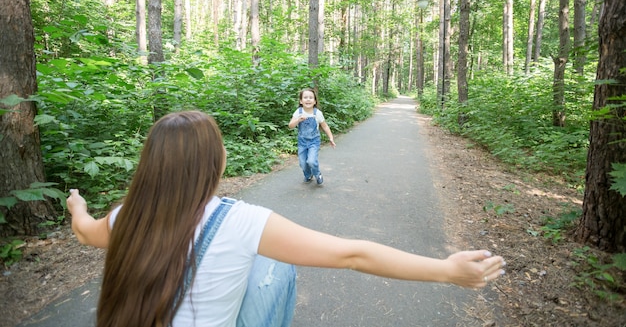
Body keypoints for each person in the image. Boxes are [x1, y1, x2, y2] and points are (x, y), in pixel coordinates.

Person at [67, 110, 506, 327]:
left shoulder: (127, 217)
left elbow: (86, 234)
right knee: (274, 262)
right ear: (214, 163)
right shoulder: (238, 221)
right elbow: (353, 254)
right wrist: (447, 271)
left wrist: (77, 206)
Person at [287, 88, 336, 185]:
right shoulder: (298, 112)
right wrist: (298, 120)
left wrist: (331, 138)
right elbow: (290, 126)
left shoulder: (317, 113)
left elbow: (325, 126)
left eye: (311, 98)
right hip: (302, 141)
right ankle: (308, 175)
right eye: (305, 97)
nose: (308, 99)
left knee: (311, 161)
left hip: (314, 141)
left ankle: (317, 174)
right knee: (303, 163)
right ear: (301, 101)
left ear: (315, 101)